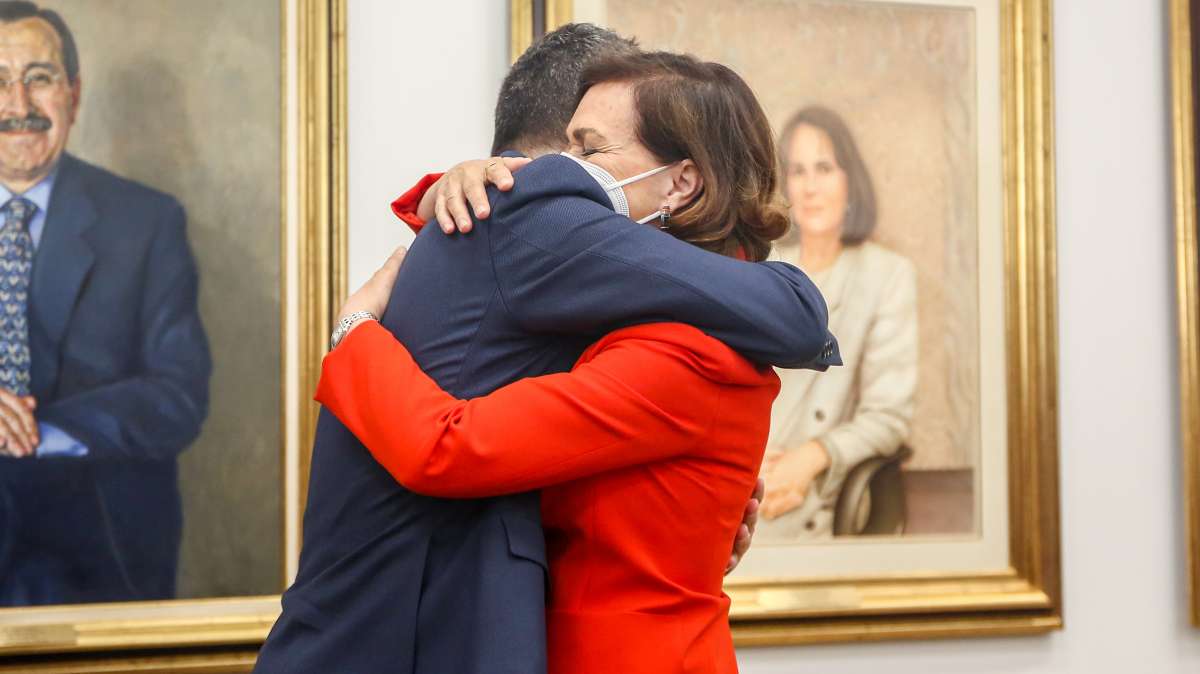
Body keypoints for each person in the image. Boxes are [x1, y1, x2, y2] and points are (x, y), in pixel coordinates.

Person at [253, 26, 837, 674]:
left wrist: (356, 329)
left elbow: (450, 448)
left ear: (682, 183)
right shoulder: (617, 313)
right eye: (562, 152)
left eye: (588, 149)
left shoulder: (688, 353)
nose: (561, 174)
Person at [0, 1, 211, 605]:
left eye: (39, 78)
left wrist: (38, 431)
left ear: (74, 93)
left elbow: (179, 394)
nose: (17, 104)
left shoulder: (146, 223)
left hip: (101, 543)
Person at [756, 106, 917, 539]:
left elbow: (888, 417)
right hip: (747, 477)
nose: (810, 187)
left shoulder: (886, 275)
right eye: (798, 171)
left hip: (823, 497)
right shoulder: (763, 267)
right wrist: (751, 466)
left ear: (851, 180)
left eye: (824, 168)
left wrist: (810, 458)